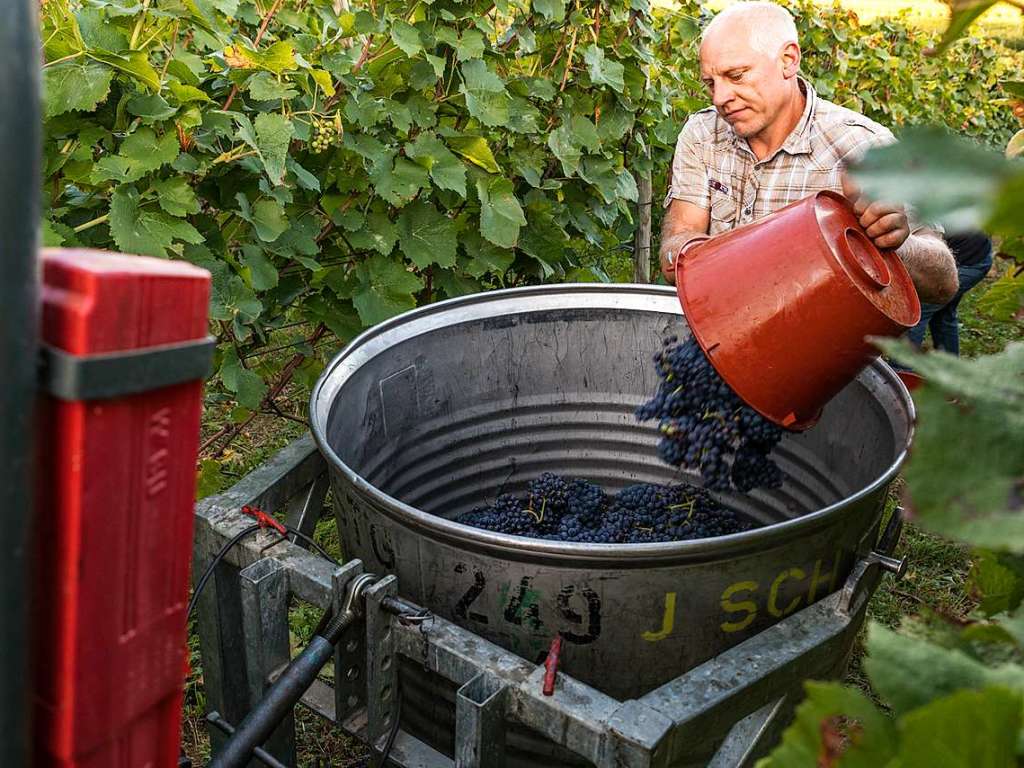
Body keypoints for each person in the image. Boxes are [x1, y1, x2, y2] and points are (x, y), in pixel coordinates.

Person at [658, 1, 958, 307]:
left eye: (736, 76)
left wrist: (895, 245)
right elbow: (678, 240)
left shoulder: (863, 147)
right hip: (719, 332)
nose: (720, 98)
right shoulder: (703, 134)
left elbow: (943, 283)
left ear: (788, 60)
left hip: (824, 347)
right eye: (710, 83)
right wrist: (692, 254)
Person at [907, 231, 993, 355]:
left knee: (915, 312)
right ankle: (951, 369)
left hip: (968, 261)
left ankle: (900, 369)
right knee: (943, 315)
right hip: (976, 253)